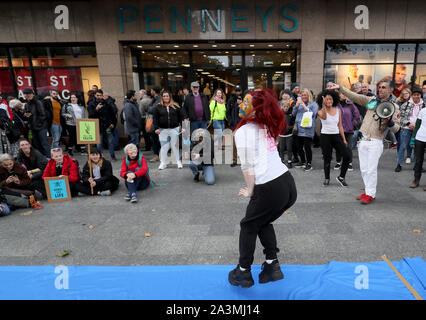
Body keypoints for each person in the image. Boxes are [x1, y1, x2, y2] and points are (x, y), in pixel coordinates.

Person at [228, 88, 297, 288]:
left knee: (248, 225)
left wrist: (250, 190)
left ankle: (243, 272)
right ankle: (271, 265)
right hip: (287, 184)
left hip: (269, 186)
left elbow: (247, 165)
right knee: (262, 221)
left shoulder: (243, 131)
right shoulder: (265, 125)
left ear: (256, 109)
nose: (242, 104)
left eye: (247, 102)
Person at [328, 80, 400, 204]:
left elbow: (397, 128)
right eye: (379, 87)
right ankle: (367, 191)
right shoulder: (372, 100)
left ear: (390, 90)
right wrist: (340, 88)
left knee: (371, 170)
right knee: (364, 169)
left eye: (384, 87)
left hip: (376, 141)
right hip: (363, 140)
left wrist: (390, 122)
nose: (380, 89)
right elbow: (355, 96)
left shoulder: (394, 106)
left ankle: (371, 194)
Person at [317, 90, 350, 186]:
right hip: (325, 136)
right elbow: (324, 117)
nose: (328, 101)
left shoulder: (338, 110)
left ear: (334, 99)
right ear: (323, 100)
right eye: (326, 99)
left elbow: (340, 126)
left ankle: (341, 177)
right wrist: (323, 105)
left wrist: (344, 139)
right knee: (327, 158)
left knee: (347, 156)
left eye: (330, 99)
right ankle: (327, 178)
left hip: (336, 136)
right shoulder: (320, 111)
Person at [153, 90, 185, 170]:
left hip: (174, 129)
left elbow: (181, 117)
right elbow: (155, 119)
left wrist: (183, 127)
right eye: (164, 96)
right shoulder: (158, 107)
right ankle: (163, 163)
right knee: (164, 147)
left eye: (167, 96)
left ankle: (178, 161)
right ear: (162, 97)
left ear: (170, 97)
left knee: (175, 146)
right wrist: (156, 128)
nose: (165, 98)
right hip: (162, 130)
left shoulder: (176, 106)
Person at [396, 86, 425, 172]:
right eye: (414, 94)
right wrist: (408, 124)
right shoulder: (406, 105)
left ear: (421, 95)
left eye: (418, 95)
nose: (416, 96)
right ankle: (399, 164)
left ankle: (417, 165)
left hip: (419, 129)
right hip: (407, 128)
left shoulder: (424, 106)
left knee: (417, 148)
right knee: (403, 146)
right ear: (412, 95)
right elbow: (401, 117)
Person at [292, 88, 319, 171]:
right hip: (298, 129)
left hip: (308, 129)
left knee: (307, 147)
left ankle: (309, 163)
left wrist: (304, 106)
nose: (303, 96)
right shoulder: (298, 104)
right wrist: (296, 106)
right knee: (299, 147)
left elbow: (313, 114)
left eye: (305, 95)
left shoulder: (314, 104)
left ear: (309, 96)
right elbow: (293, 114)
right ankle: (303, 161)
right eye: (302, 95)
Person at [87, 89, 117, 160]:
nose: (99, 97)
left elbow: (112, 114)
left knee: (110, 141)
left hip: (107, 126)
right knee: (99, 143)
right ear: (95, 95)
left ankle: (112, 155)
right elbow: (90, 116)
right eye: (97, 95)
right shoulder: (91, 104)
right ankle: (99, 157)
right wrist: (96, 109)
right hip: (98, 127)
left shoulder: (106, 103)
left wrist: (113, 123)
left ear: (102, 96)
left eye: (100, 95)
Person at [335, 92, 360, 171]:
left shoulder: (351, 105)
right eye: (341, 94)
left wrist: (352, 124)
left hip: (349, 130)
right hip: (338, 129)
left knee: (348, 147)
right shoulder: (336, 105)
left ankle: (349, 163)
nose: (342, 95)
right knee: (338, 146)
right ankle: (338, 162)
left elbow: (357, 116)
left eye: (344, 94)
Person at [23, 88, 51, 158]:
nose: (27, 96)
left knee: (44, 143)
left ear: (33, 94)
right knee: (36, 144)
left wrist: (38, 124)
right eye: (26, 95)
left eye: (29, 94)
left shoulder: (38, 102)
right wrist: (26, 115)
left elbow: (43, 115)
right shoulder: (27, 104)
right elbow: (27, 115)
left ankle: (48, 158)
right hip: (33, 127)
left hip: (41, 127)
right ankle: (41, 158)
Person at [409, 100, 426, 190]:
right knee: (418, 161)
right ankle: (416, 180)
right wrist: (413, 138)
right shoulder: (422, 111)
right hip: (420, 138)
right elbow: (417, 125)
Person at [226, 85, 243, 167]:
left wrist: (241, 104)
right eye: (236, 91)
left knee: (243, 143)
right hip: (234, 125)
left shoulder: (244, 100)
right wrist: (230, 122)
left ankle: (243, 160)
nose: (238, 92)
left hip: (242, 124)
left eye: (239, 91)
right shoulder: (231, 100)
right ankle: (234, 160)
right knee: (234, 143)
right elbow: (228, 112)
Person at [278, 89, 296, 167]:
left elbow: (293, 122)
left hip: (289, 134)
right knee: (281, 148)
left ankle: (289, 161)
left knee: (289, 148)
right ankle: (281, 160)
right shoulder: (279, 114)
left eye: (287, 106)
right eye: (284, 106)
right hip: (281, 134)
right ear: (281, 106)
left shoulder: (291, 114)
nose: (285, 108)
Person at [147, 87, 162, 162]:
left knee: (156, 140)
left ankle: (159, 155)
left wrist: (150, 108)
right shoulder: (154, 98)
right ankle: (158, 155)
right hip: (155, 122)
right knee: (155, 139)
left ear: (154, 91)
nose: (150, 91)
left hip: (157, 123)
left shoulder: (158, 99)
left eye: (151, 90)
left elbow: (151, 109)